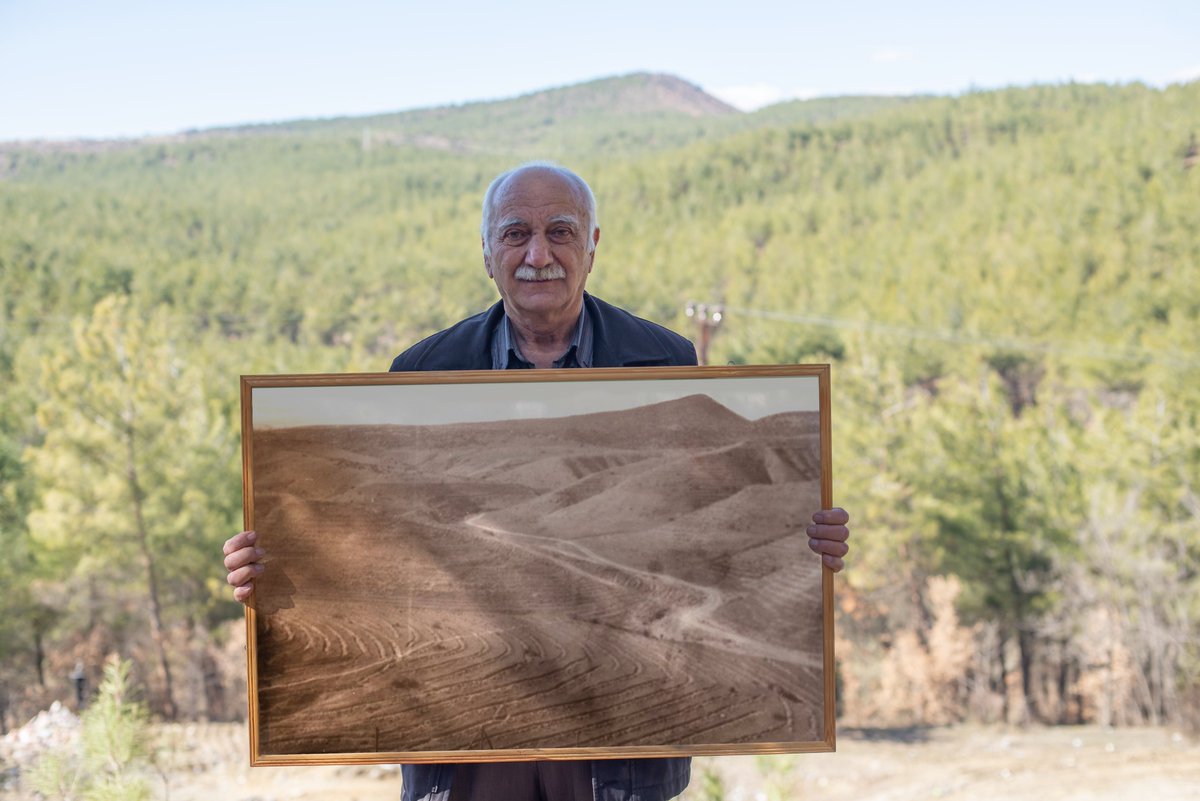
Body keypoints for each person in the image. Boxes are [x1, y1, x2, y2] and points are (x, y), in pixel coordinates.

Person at [223, 162, 852, 801]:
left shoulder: (669, 361)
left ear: (593, 245)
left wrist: (804, 536)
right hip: (461, 757)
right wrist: (277, 567)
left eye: (560, 232)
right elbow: (378, 550)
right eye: (516, 232)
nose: (538, 254)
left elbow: (722, 543)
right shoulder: (420, 370)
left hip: (620, 758)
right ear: (487, 251)